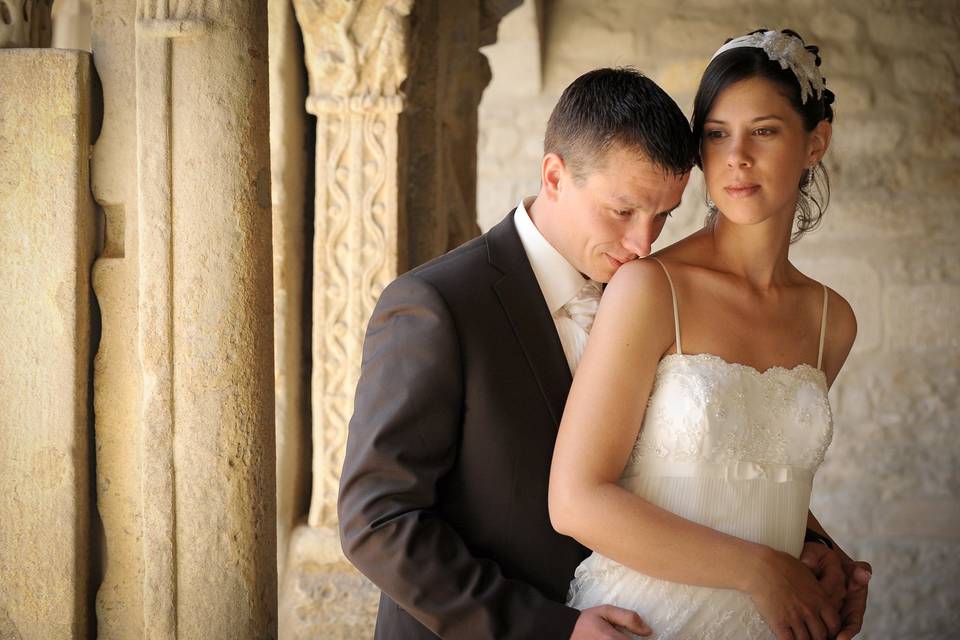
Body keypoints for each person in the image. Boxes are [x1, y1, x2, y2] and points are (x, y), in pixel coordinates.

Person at [548, 30, 872, 640]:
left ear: (815, 143)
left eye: (766, 131)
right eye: (718, 134)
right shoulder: (650, 289)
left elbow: (752, 472)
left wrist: (827, 556)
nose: (737, 157)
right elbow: (575, 499)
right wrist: (760, 572)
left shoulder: (832, 319)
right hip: (651, 618)